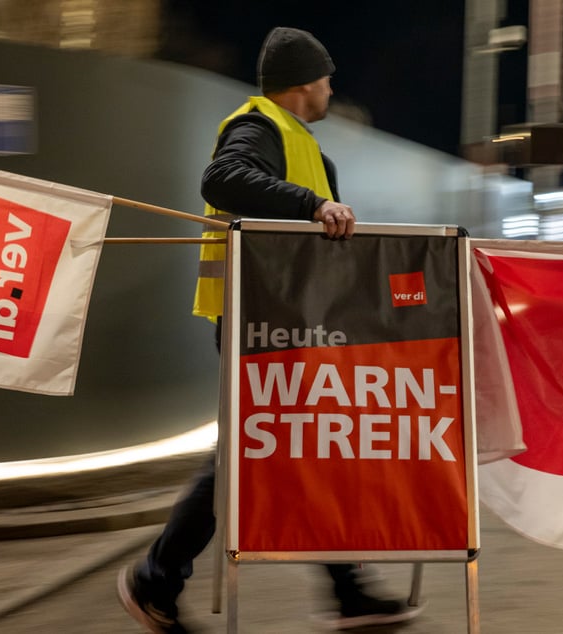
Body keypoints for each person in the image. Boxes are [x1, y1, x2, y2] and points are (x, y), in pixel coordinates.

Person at [118, 27, 412, 633]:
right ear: (305, 82)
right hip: (260, 324)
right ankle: (155, 580)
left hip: (293, 323)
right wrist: (313, 204)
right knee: (244, 461)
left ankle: (346, 591)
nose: (331, 88)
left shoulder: (303, 144)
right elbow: (221, 178)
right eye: (327, 78)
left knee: (308, 451)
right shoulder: (257, 127)